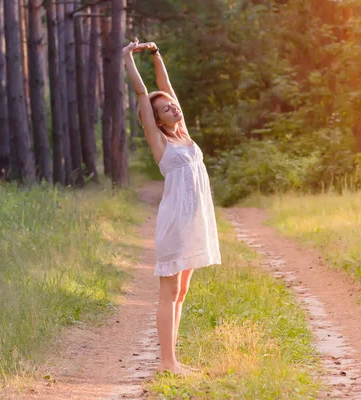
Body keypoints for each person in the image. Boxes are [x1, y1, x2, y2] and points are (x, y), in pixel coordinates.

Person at [123, 38, 222, 374]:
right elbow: (143, 93)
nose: (173, 108)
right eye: (165, 108)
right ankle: (167, 362)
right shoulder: (161, 140)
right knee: (169, 290)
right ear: (155, 119)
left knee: (182, 292)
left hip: (196, 220)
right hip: (175, 223)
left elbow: (166, 86)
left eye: (173, 106)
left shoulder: (184, 135)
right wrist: (129, 58)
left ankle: (172, 360)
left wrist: (156, 55)